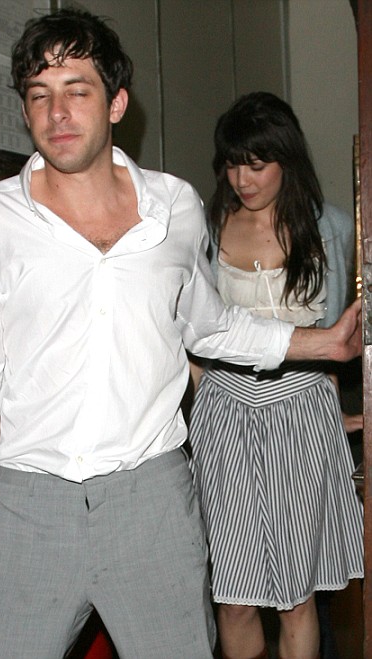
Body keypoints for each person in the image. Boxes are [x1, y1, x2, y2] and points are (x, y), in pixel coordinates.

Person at [0, 11, 360, 659]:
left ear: (117, 103)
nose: (57, 112)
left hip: (153, 505)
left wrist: (326, 344)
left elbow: (211, 325)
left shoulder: (175, 206)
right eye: (39, 95)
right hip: (30, 509)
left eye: (77, 90)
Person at [188, 91, 364, 659]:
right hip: (225, 418)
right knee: (235, 594)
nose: (242, 179)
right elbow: (191, 330)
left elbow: (338, 337)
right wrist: (203, 406)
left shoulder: (332, 228)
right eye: (232, 164)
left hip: (303, 414)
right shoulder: (206, 227)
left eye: (257, 164)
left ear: (286, 159)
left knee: (295, 595)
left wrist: (337, 414)